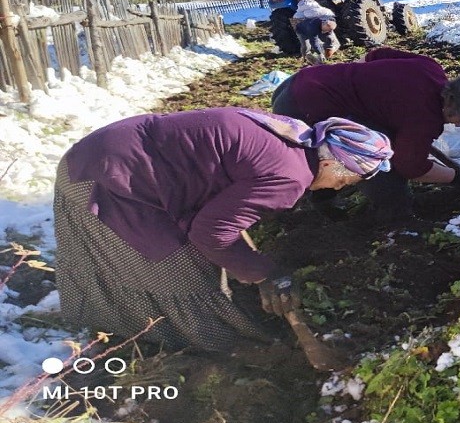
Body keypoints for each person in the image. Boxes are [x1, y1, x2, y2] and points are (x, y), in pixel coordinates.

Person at [53, 107, 393, 352]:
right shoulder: (290, 178)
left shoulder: (296, 135)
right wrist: (266, 273)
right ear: (331, 161)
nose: (339, 188)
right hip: (110, 177)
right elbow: (211, 234)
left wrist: (251, 265)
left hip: (112, 150)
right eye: (346, 180)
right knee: (183, 272)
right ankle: (149, 338)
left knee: (210, 259)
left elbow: (222, 205)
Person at [270, 47, 460, 221]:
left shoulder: (430, 68)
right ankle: (393, 219)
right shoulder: (425, 118)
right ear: (455, 111)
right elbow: (410, 167)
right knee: (376, 161)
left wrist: (363, 91)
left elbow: (375, 55)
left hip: (301, 81)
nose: (459, 125)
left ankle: (323, 195)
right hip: (305, 108)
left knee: (370, 141)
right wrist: (458, 177)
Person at [293, 0, 339, 64]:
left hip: (312, 25)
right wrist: (320, 53)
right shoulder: (312, 27)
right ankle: (305, 58)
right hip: (301, 30)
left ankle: (325, 54)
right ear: (322, 26)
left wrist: (330, 45)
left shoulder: (327, 21)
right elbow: (314, 42)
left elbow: (329, 33)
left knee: (328, 38)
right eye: (325, 30)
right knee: (306, 46)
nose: (326, 32)